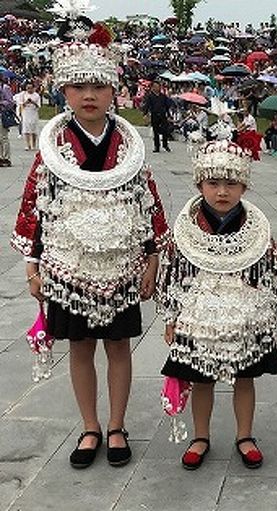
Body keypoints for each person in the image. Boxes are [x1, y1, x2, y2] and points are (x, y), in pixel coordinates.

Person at [10, 20, 169, 469]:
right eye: (78, 86)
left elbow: (150, 205)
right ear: (64, 92)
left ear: (114, 90)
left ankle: (116, 425)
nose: (89, 95)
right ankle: (90, 426)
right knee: (78, 347)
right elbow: (32, 206)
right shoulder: (53, 145)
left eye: (98, 85)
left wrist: (153, 258)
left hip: (120, 264)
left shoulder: (129, 144)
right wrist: (32, 265)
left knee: (119, 345)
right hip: (68, 264)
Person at [158, 140, 277, 470]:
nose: (221, 192)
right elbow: (172, 272)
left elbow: (275, 266)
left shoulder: (256, 227)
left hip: (244, 315)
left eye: (231, 183)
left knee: (245, 379)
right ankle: (200, 435)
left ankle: (245, 435)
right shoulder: (186, 228)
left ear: (243, 186)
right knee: (202, 378)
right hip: (198, 314)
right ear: (199, 184)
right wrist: (171, 317)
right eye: (213, 183)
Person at [142, 81, 173, 152]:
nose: (157, 88)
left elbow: (167, 106)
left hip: (162, 115)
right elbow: (147, 106)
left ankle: (165, 145)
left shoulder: (163, 96)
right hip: (155, 115)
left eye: (158, 86)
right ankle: (157, 146)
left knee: (165, 130)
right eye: (155, 86)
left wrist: (169, 115)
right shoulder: (150, 96)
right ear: (152, 87)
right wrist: (145, 114)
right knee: (155, 132)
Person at [17, 81, 41, 151]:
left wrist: (33, 102)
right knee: (26, 129)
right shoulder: (23, 95)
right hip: (26, 113)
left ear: (33, 88)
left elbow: (38, 106)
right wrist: (26, 102)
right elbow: (21, 105)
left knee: (34, 129)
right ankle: (28, 145)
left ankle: (33, 144)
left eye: (31, 88)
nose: (29, 90)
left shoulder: (36, 95)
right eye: (28, 88)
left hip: (33, 113)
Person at [0, 76, 14, 167]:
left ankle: (6, 158)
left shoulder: (5, 87)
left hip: (2, 115)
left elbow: (10, 102)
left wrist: (1, 103)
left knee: (3, 137)